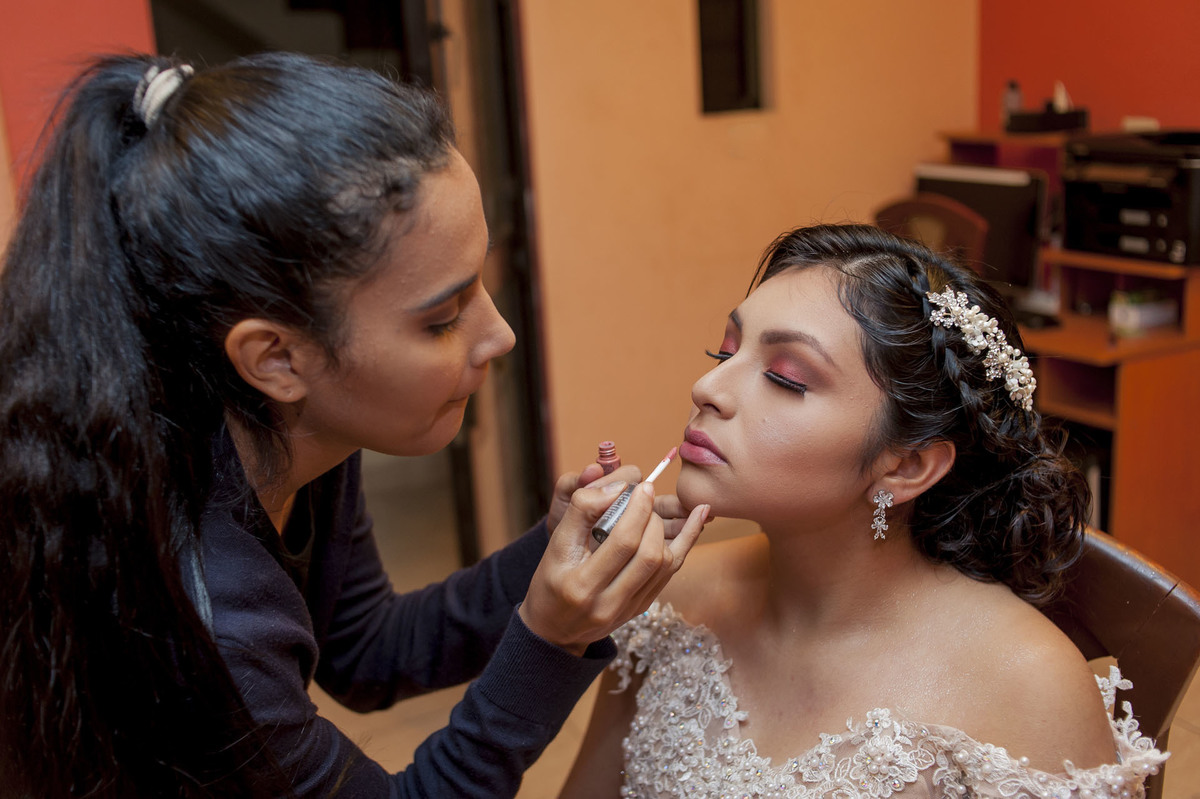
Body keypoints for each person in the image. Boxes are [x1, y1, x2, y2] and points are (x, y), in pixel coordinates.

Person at [0, 53, 709, 798]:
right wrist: (550, 638)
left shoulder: (292, 433)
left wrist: (548, 551)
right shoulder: (209, 615)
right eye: (442, 317)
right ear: (277, 357)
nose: (499, 335)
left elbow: (370, 649)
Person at [561, 224, 1167, 798]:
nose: (707, 388)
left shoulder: (1029, 689)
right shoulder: (671, 595)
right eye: (725, 351)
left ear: (905, 467)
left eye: (786, 377)